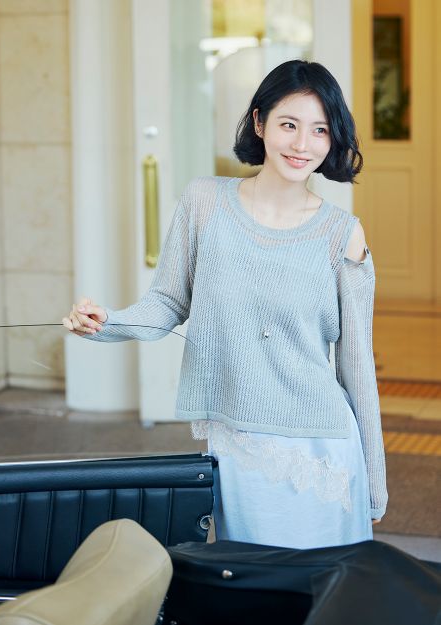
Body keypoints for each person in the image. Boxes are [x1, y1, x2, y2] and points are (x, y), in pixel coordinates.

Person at [62, 59, 388, 549]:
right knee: (251, 581)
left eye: (320, 130)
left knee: (322, 587)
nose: (303, 144)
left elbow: (356, 365)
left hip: (321, 450)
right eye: (289, 125)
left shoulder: (343, 234)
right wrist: (107, 322)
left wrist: (374, 484)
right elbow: (167, 303)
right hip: (237, 442)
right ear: (259, 123)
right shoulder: (204, 203)